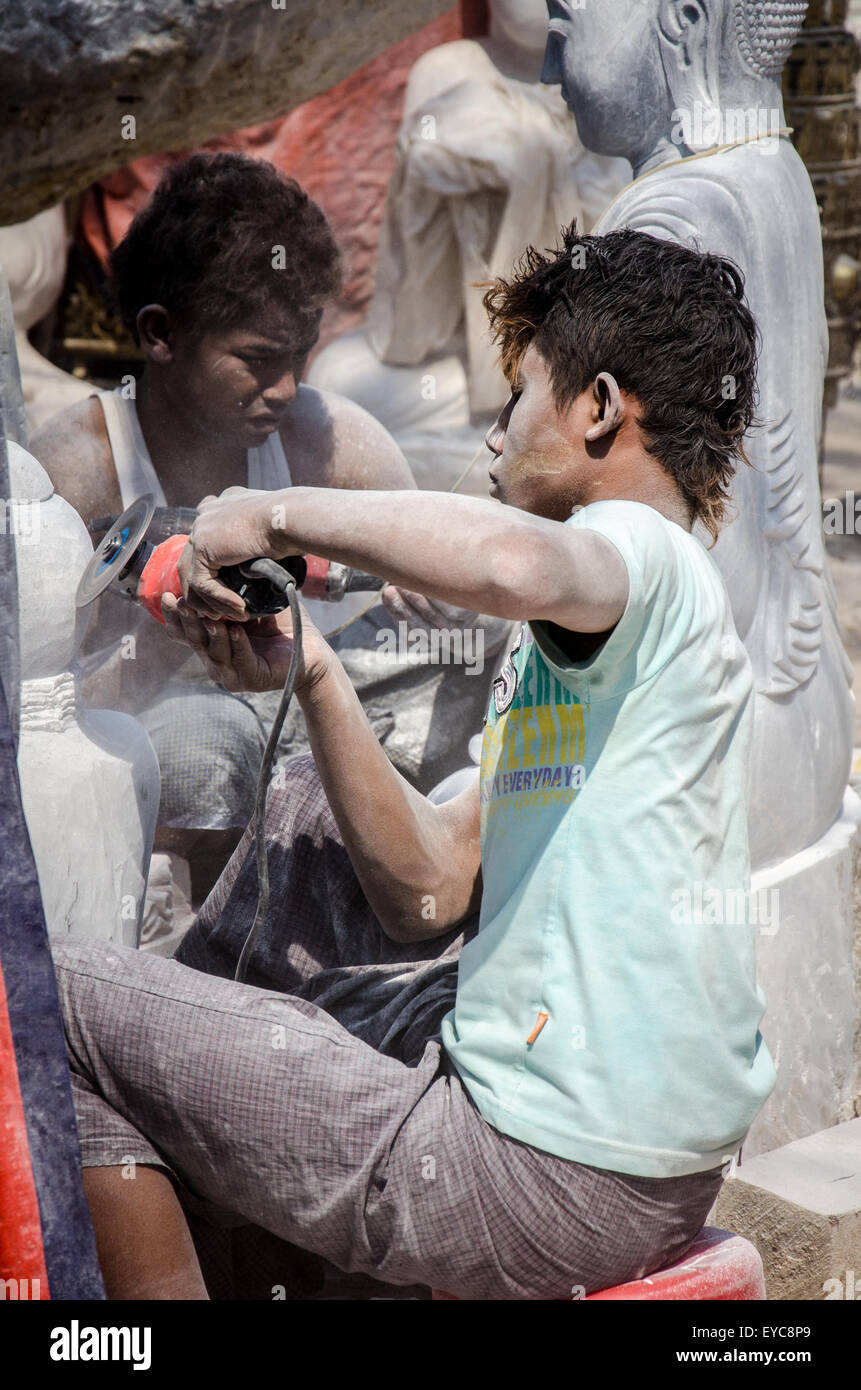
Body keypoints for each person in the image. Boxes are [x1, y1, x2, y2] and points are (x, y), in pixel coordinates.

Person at [52, 225, 776, 1300]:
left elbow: (506, 555)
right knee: (298, 817)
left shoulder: (644, 551)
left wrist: (267, 513)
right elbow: (430, 883)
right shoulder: (601, 644)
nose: (490, 439)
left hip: (538, 1173)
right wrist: (311, 674)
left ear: (598, 409)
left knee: (53, 994)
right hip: (615, 1161)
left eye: (515, 397)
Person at [33, 152, 511, 928]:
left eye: (302, 354)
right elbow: (45, 706)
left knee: (471, 649)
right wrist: (174, 628)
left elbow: (459, 580)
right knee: (202, 737)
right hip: (171, 767)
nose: (286, 387)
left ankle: (411, 866)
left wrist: (446, 601)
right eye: (258, 360)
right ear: (160, 334)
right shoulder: (80, 473)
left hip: (322, 731)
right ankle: (202, 940)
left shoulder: (330, 444)